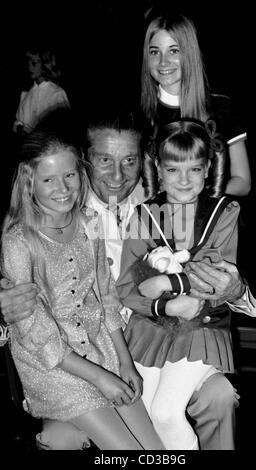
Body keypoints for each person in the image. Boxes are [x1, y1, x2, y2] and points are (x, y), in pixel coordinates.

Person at [0, 110, 254, 450]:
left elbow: (218, 267)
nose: (118, 175)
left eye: (129, 160)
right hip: (80, 356)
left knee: (217, 397)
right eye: (105, 159)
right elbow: (22, 300)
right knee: (76, 438)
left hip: (160, 343)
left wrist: (235, 290)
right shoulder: (46, 214)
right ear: (86, 159)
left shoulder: (161, 201)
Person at [0, 126, 165, 451]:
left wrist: (124, 362)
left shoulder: (89, 222)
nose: (63, 189)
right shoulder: (19, 242)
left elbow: (105, 296)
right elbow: (36, 332)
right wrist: (100, 377)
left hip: (101, 349)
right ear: (30, 182)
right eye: (49, 180)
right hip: (55, 370)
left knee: (156, 452)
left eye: (70, 176)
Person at [116, 119, 256, 449]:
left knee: (166, 413)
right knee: (147, 415)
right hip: (150, 330)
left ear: (208, 168)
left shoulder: (222, 212)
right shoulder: (143, 215)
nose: (184, 180)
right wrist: (162, 304)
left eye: (194, 169)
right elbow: (126, 288)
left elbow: (216, 278)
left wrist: (167, 281)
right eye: (173, 170)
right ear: (159, 169)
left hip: (201, 330)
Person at [140, 11, 251, 197]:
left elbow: (243, 182)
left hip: (212, 220)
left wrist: (192, 197)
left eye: (174, 51)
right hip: (158, 220)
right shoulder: (137, 114)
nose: (163, 62)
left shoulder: (221, 107)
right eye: (154, 52)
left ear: (189, 53)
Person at [13, 47, 70, 136]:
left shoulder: (57, 94)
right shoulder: (26, 93)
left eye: (34, 63)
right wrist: (20, 129)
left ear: (45, 65)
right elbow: (18, 122)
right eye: (28, 62)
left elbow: (63, 128)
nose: (29, 66)